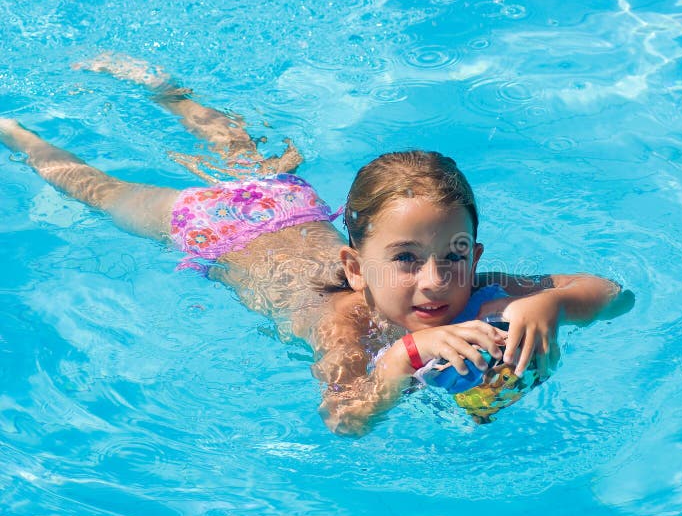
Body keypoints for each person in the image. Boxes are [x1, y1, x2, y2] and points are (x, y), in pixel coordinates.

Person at [0, 54, 633, 436]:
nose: (437, 281)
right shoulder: (346, 321)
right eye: (406, 258)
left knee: (236, 146)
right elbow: (345, 419)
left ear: (475, 252)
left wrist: (547, 306)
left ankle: (172, 91)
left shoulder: (477, 289)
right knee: (100, 190)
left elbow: (615, 295)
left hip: (292, 203)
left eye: (455, 253)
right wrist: (402, 357)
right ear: (356, 269)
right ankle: (20, 133)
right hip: (219, 229)